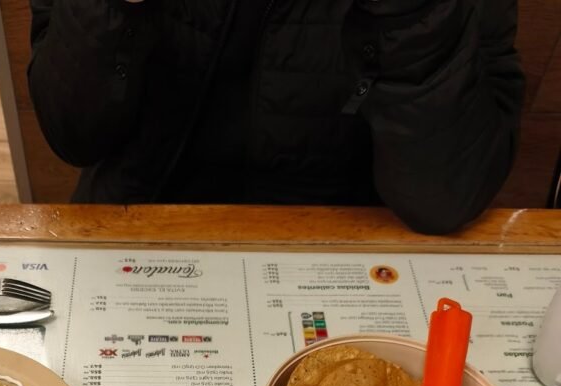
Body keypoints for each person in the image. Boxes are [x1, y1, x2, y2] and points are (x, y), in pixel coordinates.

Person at [27, 1, 524, 235]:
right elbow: (74, 134)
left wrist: (411, 15)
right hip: (139, 222)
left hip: (350, 239)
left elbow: (443, 199)